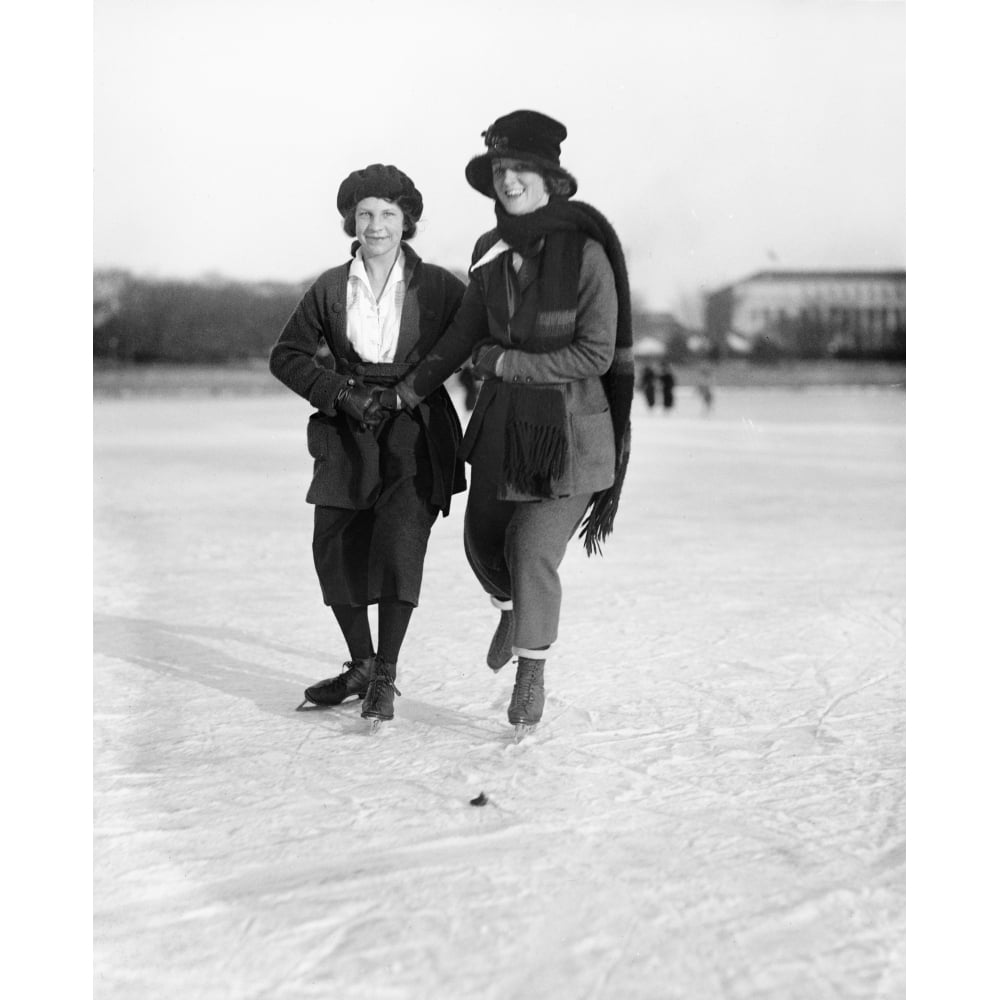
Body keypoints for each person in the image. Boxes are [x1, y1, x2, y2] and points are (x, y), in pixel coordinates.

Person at [389, 110, 634, 738]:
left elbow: (595, 354)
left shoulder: (587, 256)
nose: (509, 180)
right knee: (480, 544)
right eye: (500, 169)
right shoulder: (488, 251)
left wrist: (506, 361)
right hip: (502, 432)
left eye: (521, 168)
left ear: (551, 177)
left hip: (572, 439)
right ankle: (509, 610)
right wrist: (408, 390)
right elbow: (462, 335)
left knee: (531, 550)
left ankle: (531, 669)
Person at [269, 164, 466, 730]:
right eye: (364, 214)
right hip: (347, 427)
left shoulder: (441, 286)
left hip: (416, 430)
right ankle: (360, 664)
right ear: (350, 221)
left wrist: (415, 388)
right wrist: (337, 391)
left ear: (408, 222)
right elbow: (287, 355)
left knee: (401, 544)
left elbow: (471, 336)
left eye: (387, 214)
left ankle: (385, 674)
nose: (375, 226)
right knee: (333, 545)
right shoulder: (330, 287)